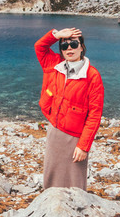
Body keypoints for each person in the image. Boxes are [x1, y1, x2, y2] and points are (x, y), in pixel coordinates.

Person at [34, 27, 104, 190]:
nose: (69, 49)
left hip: (75, 137)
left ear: (82, 47)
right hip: (55, 130)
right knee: (52, 174)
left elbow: (95, 115)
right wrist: (57, 35)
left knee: (74, 180)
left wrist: (83, 146)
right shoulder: (54, 64)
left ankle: (75, 210)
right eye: (64, 46)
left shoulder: (93, 76)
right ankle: (50, 206)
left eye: (73, 44)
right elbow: (40, 47)